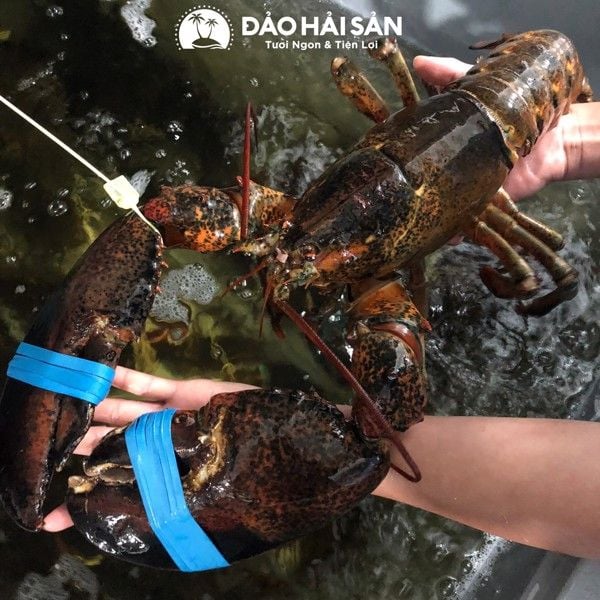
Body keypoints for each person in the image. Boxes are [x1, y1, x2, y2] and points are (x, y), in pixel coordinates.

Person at [42, 56, 600, 561]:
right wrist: (573, 140)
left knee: (384, 412)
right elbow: (161, 219)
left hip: (518, 108)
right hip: (501, 98)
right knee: (160, 219)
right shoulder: (291, 223)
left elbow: (380, 425)